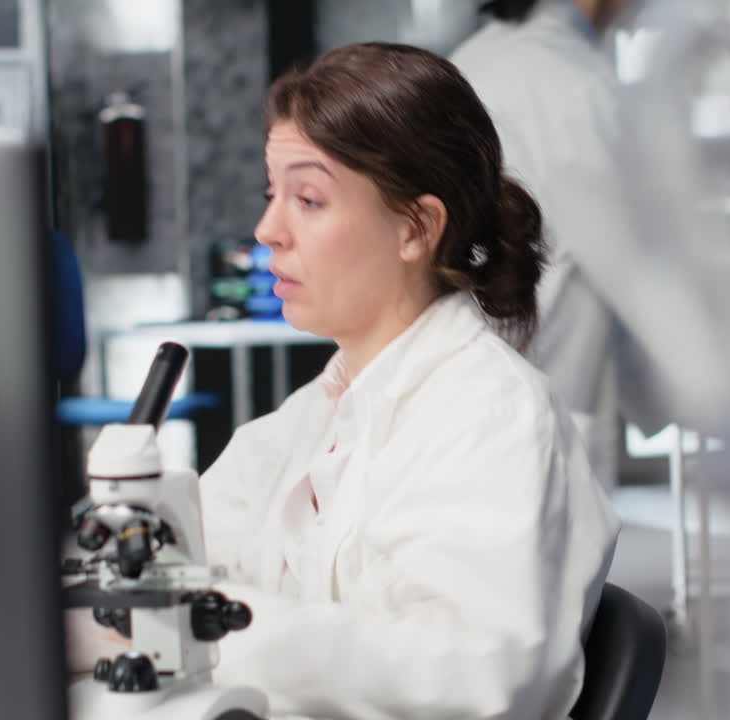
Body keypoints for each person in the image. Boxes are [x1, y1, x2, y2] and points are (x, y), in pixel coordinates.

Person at [198, 42, 619, 719]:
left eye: (309, 199)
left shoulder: (491, 414)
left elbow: (470, 677)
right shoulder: (315, 413)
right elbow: (183, 552)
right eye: (272, 195)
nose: (267, 230)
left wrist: (215, 631)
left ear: (416, 228)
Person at [451, 0, 660, 490]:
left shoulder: (469, 62)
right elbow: (645, 278)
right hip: (540, 407)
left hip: (470, 403)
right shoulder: (573, 83)